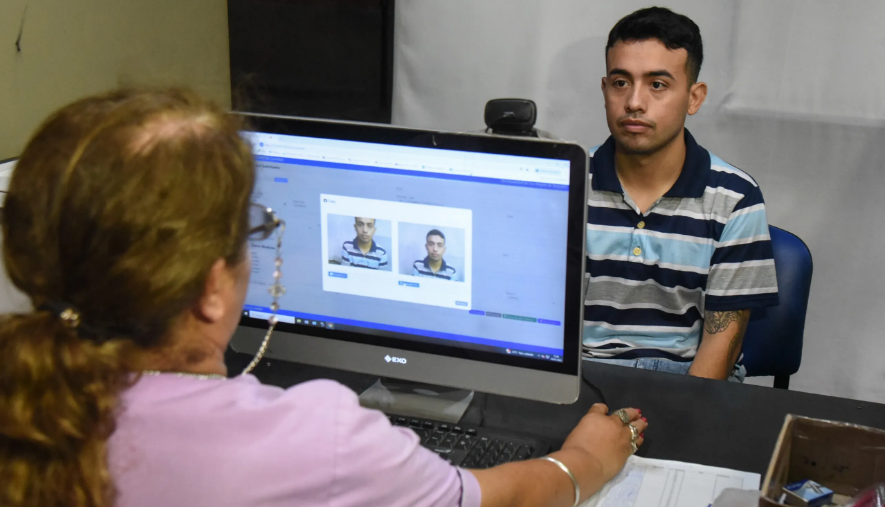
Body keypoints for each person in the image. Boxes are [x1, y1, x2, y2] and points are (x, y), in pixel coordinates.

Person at [0, 88, 647, 507]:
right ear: (208, 289)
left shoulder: (22, 402)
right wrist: (582, 459)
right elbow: (493, 499)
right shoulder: (315, 437)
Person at [583, 7, 779, 382]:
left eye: (657, 84)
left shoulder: (735, 199)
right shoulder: (568, 183)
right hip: (584, 376)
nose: (635, 102)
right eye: (621, 82)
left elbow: (718, 356)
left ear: (694, 97)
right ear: (606, 89)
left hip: (687, 382)